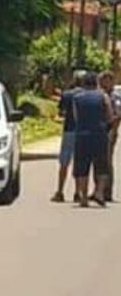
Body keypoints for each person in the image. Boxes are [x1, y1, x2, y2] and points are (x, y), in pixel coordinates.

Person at [72, 72, 112, 207]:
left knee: (82, 167)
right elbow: (110, 115)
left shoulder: (76, 98)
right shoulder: (103, 96)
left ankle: (83, 197)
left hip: (82, 135)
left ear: (83, 83)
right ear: (96, 82)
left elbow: (76, 117)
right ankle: (99, 192)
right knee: (101, 165)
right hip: (99, 134)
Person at [51, 70, 86, 202]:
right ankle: (77, 193)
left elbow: (61, 112)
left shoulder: (67, 94)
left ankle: (60, 191)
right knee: (80, 162)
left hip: (69, 130)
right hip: (83, 132)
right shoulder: (88, 95)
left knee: (64, 163)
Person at [98, 71, 120, 201]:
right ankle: (98, 189)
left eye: (105, 80)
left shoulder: (115, 96)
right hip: (99, 131)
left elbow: (118, 115)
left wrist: (113, 130)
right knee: (99, 161)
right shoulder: (100, 95)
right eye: (101, 80)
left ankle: (107, 192)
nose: (102, 83)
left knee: (106, 161)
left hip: (109, 131)